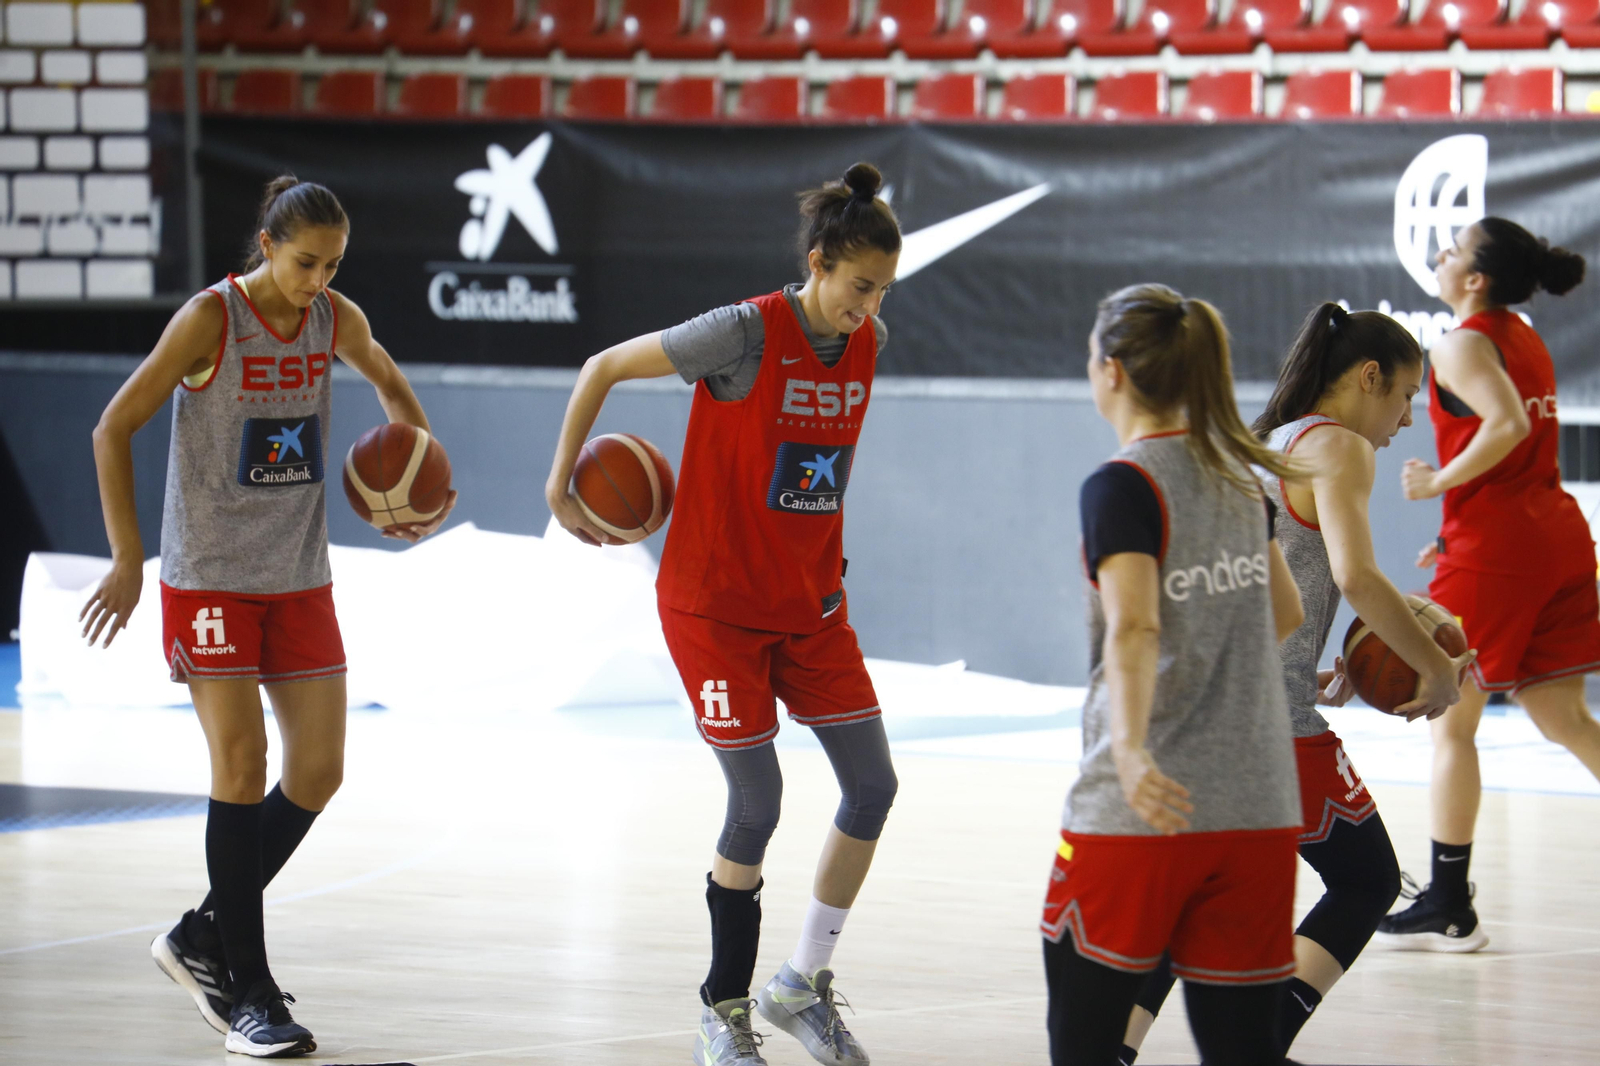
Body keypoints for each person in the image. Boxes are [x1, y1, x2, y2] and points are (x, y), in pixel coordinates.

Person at [79, 176, 454, 1057]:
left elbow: (399, 397)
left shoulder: (334, 318)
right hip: (209, 577)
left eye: (332, 265)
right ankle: (248, 992)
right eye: (304, 262)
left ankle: (202, 933)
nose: (317, 280)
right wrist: (130, 559)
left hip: (297, 575)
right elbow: (112, 427)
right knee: (241, 763)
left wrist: (410, 489)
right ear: (267, 245)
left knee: (317, 772)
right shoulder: (212, 319)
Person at [545, 163, 900, 1066]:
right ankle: (722, 1006)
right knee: (759, 800)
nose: (868, 305)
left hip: (811, 604)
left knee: (874, 789)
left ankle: (800, 983)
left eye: (881, 291)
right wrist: (561, 485)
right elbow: (603, 366)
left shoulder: (868, 341)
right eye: (859, 286)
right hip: (714, 608)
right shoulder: (741, 333)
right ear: (817, 263)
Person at [1115, 303, 1475, 1064]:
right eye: (1407, 395)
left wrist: (1315, 657)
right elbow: (1358, 574)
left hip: (1214, 705)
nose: (1409, 419)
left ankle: (1119, 1047)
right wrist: (1440, 669)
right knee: (1368, 878)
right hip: (1268, 724)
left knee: (1197, 896)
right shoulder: (1341, 445)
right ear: (1368, 378)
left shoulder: (1272, 440)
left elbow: (1270, 581)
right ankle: (1263, 1042)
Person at [1043, 283, 1306, 1066]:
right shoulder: (1241, 480)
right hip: (1258, 805)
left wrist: (1128, 749)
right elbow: (1283, 613)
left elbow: (1135, 624)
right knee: (1241, 1052)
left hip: (1144, 809)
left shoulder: (1122, 484)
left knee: (1083, 1046)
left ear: (1113, 371)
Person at [1385, 217, 1599, 949]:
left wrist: (1439, 483)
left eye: (1453, 250)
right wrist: (1452, 523)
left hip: (1500, 552)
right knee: (1567, 720)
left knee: (1452, 724)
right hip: (1555, 538)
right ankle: (1447, 898)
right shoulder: (1524, 335)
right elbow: (1521, 444)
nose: (1441, 255)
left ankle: (1449, 901)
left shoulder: (1460, 342)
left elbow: (1505, 425)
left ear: (1475, 279)